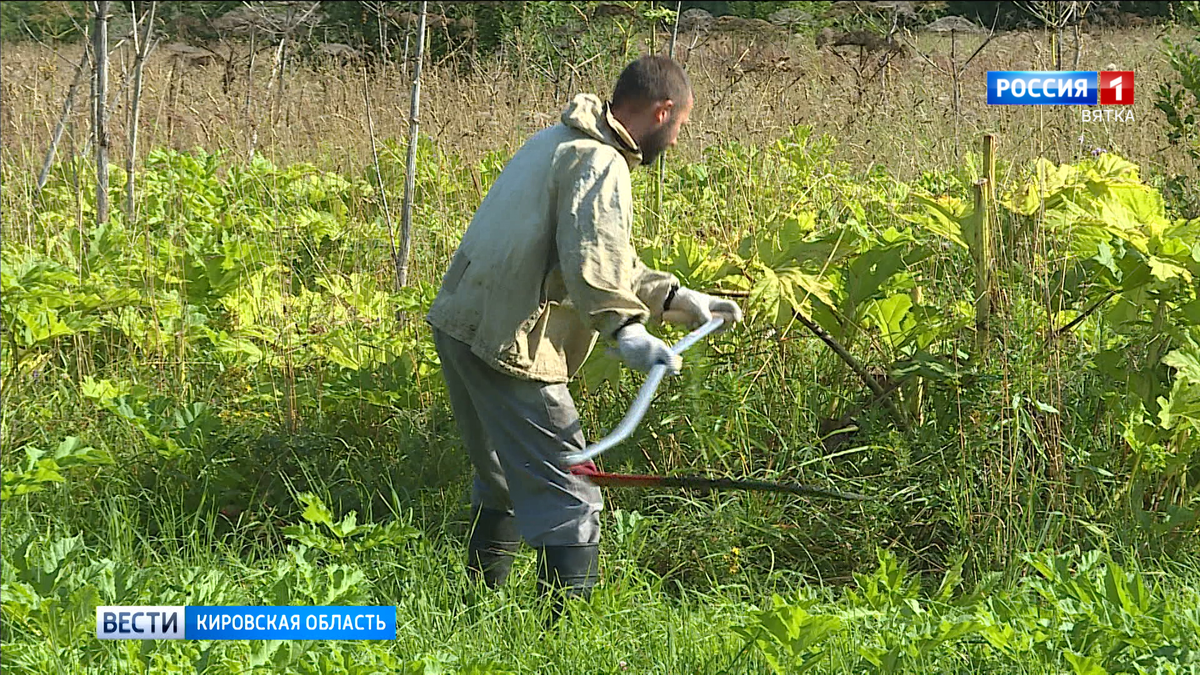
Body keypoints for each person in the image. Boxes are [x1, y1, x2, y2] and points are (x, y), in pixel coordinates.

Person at [425, 55, 743, 612]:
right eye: (682, 124)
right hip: (510, 342)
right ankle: (561, 637)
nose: (677, 137)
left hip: (461, 324)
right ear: (663, 111)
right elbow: (592, 262)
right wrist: (625, 330)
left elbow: (588, 253)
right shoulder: (600, 162)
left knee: (501, 473)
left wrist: (675, 300)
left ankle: (473, 608)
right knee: (571, 489)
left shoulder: (557, 140)